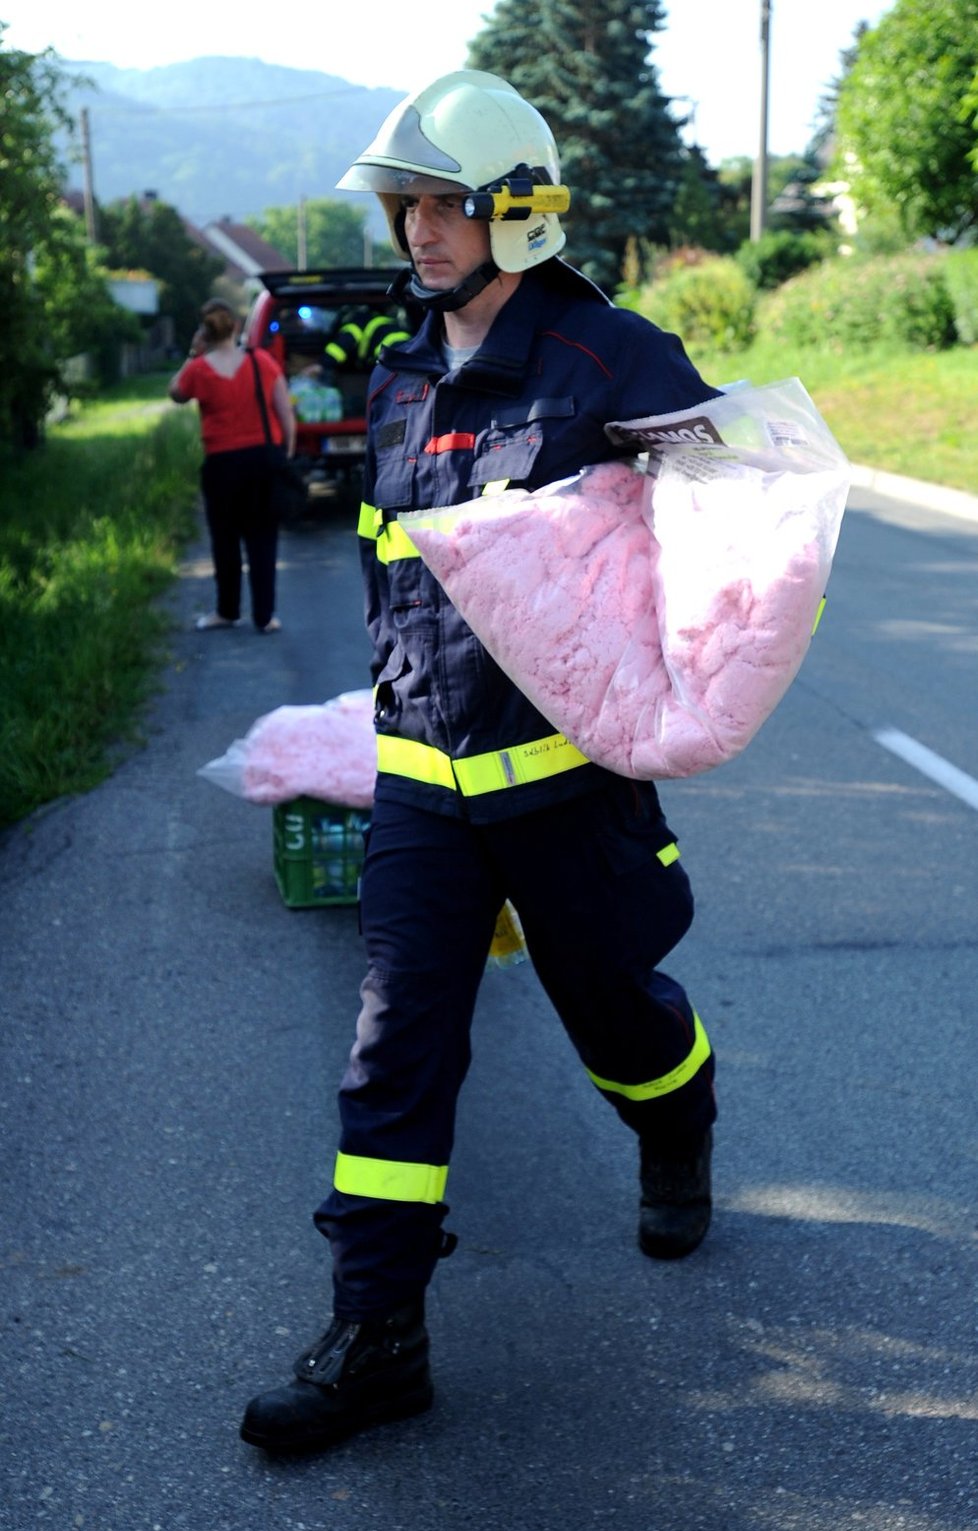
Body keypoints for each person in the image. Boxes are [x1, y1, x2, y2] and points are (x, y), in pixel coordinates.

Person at [241, 70, 721, 1454]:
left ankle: (677, 1118)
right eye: (406, 202)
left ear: (518, 208)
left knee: (616, 1018)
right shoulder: (403, 372)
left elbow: (750, 514)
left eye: (444, 202)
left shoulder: (606, 356)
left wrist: (708, 656)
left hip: (568, 791)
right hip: (420, 790)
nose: (416, 229)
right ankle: (377, 1335)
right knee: (392, 1050)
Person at [168, 297, 296, 633]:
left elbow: (176, 393)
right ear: (235, 326)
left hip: (221, 464)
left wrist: (194, 353)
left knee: (225, 539)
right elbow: (284, 412)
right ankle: (265, 617)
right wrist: (286, 453)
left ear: (205, 332)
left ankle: (226, 611)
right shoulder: (261, 362)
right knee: (262, 538)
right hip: (261, 460)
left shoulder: (199, 369)